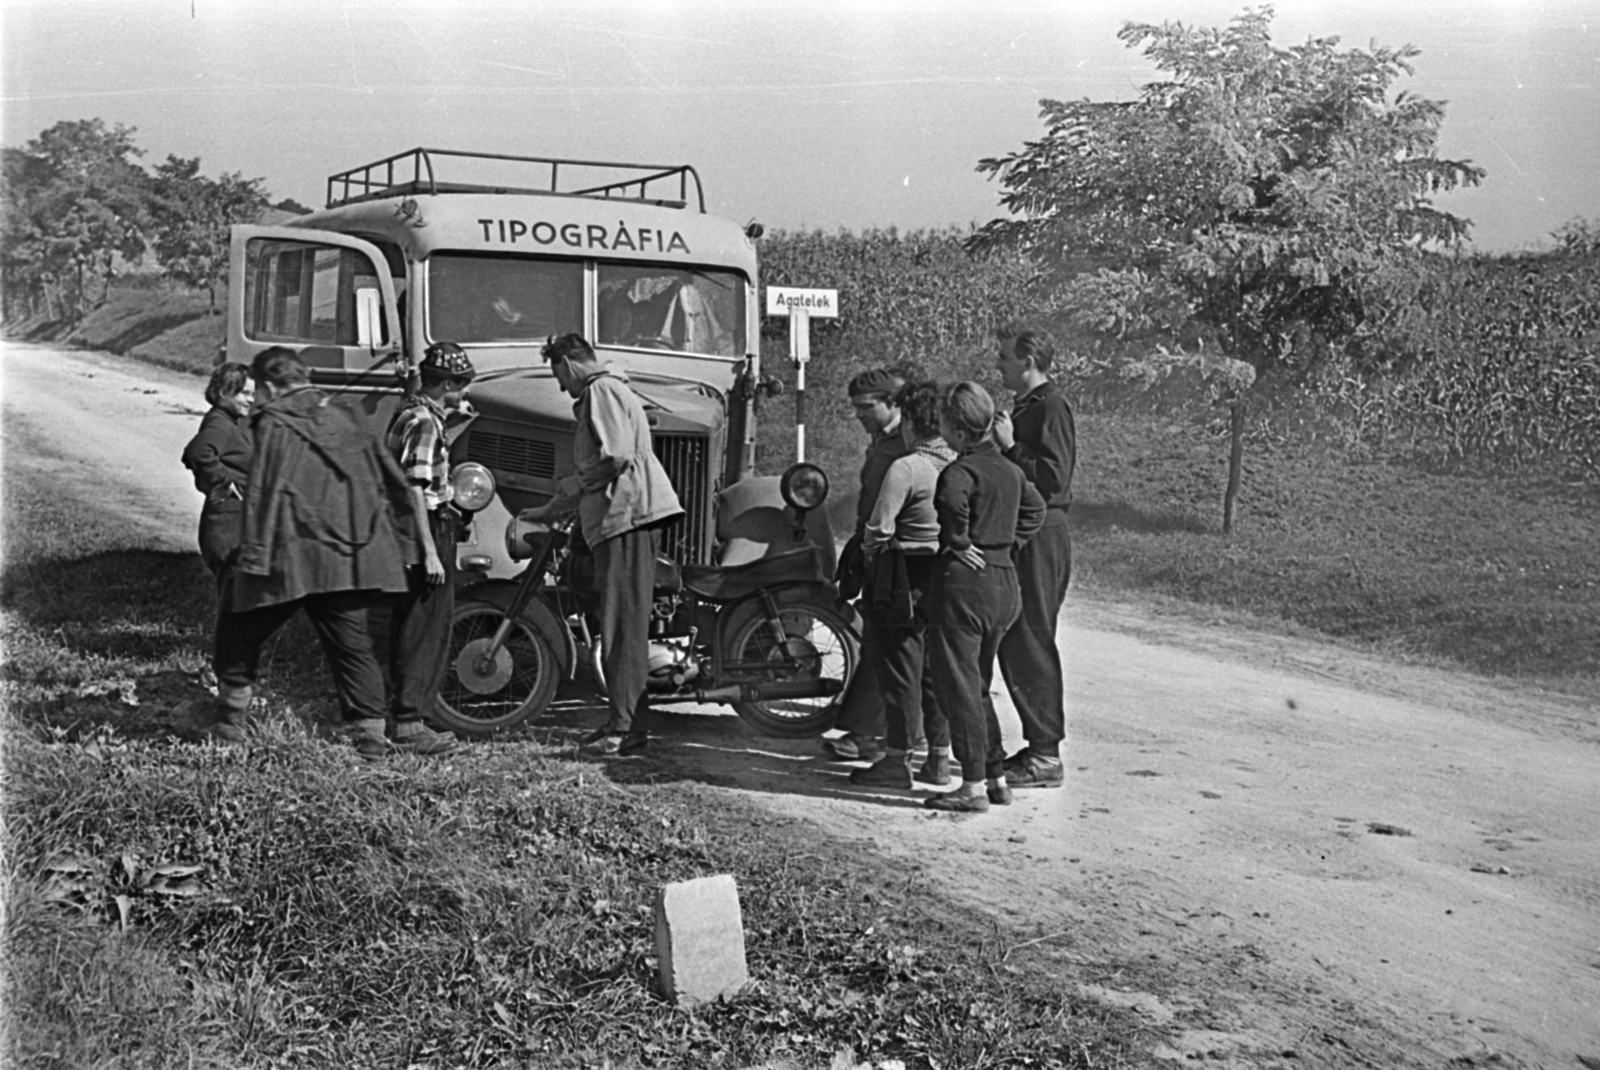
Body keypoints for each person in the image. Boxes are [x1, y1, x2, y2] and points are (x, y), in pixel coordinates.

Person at [207, 346, 426, 760]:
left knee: (238, 629)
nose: (256, 398)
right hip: (352, 555)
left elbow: (267, 490)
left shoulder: (274, 422)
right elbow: (392, 478)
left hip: (293, 554)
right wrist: (407, 545)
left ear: (270, 385)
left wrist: (253, 556)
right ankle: (371, 741)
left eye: (259, 390)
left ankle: (229, 726)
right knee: (353, 646)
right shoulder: (348, 414)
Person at [519, 333, 683, 756]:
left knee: (623, 628)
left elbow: (616, 456)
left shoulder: (601, 389)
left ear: (570, 365)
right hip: (620, 518)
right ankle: (625, 723)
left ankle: (625, 729)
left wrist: (577, 483)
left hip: (627, 518)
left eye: (558, 374)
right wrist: (558, 505)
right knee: (619, 626)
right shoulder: (609, 388)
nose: (560, 386)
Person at [923, 381, 1045, 813]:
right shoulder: (1011, 470)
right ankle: (994, 777)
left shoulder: (959, 471)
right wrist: (1006, 546)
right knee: (978, 685)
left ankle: (971, 786)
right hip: (1004, 584)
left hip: (965, 586)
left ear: (956, 429)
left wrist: (957, 540)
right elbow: (1036, 510)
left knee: (959, 687)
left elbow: (950, 504)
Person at [847, 379, 957, 790]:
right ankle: (940, 758)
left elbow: (878, 527)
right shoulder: (956, 463)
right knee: (934, 670)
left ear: (910, 420)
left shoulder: (908, 466)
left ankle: (897, 759)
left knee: (900, 671)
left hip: (904, 574)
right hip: (943, 574)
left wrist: (871, 555)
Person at [992, 323, 1078, 789]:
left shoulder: (1051, 407)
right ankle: (1038, 745)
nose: (999, 364)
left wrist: (1010, 448)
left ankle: (1046, 755)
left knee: (1032, 637)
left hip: (1042, 534)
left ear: (1028, 362)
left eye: (1004, 357)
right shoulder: (1029, 406)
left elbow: (1053, 478)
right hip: (1026, 532)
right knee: (1018, 636)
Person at [383, 341, 478, 757]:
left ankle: (409, 714)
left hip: (411, 530)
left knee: (413, 624)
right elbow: (417, 489)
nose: (465, 395)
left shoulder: (410, 410)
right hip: (426, 529)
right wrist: (431, 551)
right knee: (426, 628)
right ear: (448, 383)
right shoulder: (424, 422)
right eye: (460, 386)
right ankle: (409, 723)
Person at [821, 366, 909, 764]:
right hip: (876, 549)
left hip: (893, 554)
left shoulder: (904, 445)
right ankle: (882, 733)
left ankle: (869, 735)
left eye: (866, 406)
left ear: (892, 402)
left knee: (885, 646)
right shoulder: (883, 441)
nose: (858, 414)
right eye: (855, 407)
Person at [181, 362, 253, 591]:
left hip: (232, 525)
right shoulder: (220, 423)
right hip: (227, 530)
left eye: (253, 394)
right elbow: (197, 452)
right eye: (244, 393)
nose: (251, 400)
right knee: (236, 604)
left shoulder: (229, 421)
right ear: (223, 393)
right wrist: (223, 482)